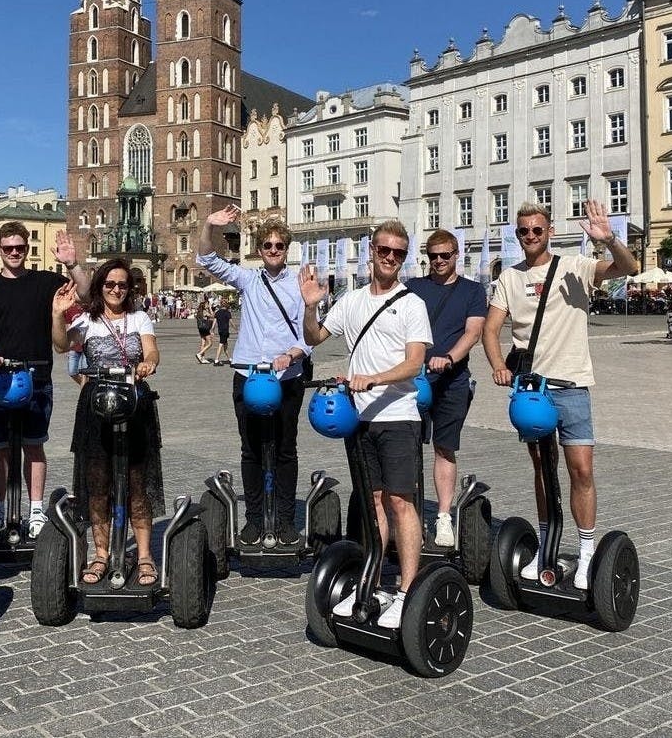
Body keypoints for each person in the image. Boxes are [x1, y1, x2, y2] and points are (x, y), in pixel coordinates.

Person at [480, 199, 637, 590]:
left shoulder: (574, 267)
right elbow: (490, 328)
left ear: (549, 231)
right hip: (532, 391)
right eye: (523, 231)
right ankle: (547, 543)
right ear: (517, 235)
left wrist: (609, 239)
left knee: (581, 470)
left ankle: (585, 552)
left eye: (537, 230)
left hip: (572, 385)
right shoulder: (509, 278)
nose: (530, 236)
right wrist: (498, 365)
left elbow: (627, 268)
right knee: (542, 469)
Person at [300, 219, 431, 630]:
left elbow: (415, 362)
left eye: (398, 253)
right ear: (371, 251)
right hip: (361, 418)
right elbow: (315, 336)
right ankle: (372, 582)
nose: (390, 258)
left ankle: (408, 590)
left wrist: (373, 378)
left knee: (400, 502)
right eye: (384, 250)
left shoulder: (412, 303)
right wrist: (309, 305)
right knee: (372, 500)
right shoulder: (353, 301)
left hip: (397, 415)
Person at [197, 205, 311, 544]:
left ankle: (287, 519)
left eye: (280, 246)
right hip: (248, 373)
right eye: (268, 246)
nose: (274, 251)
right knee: (251, 449)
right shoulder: (249, 278)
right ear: (259, 249)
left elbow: (311, 332)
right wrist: (208, 223)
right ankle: (255, 518)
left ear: (286, 249)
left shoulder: (299, 283)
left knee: (286, 448)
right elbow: (207, 260)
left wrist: (292, 353)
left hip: (287, 376)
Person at [0, 222, 89, 540]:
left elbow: (86, 292)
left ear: (27, 248)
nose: (14, 253)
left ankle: (35, 511)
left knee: (34, 446)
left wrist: (73, 263)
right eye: (8, 248)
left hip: (36, 373)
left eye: (19, 247)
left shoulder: (47, 281)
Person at [51, 258, 164, 586]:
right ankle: (101, 553)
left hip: (133, 401)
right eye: (110, 284)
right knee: (97, 484)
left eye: (122, 285)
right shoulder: (87, 320)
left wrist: (148, 365)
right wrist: (58, 314)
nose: (116, 289)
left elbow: (152, 351)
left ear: (130, 289)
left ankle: (144, 555)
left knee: (137, 482)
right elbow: (61, 346)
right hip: (95, 405)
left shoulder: (139, 317)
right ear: (100, 286)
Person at [404, 228, 487, 547]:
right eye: (433, 256)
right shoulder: (413, 287)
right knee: (407, 447)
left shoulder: (472, 291)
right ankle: (407, 511)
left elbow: (473, 332)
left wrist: (448, 358)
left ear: (456, 256)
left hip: (451, 380)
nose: (438, 261)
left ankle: (442, 517)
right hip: (413, 378)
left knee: (444, 446)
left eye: (445, 255)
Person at [212, 301, 233, 365]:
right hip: (225, 330)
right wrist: (237, 329)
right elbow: (231, 322)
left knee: (225, 344)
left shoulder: (217, 313)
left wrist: (212, 330)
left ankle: (230, 359)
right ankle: (216, 360)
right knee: (221, 344)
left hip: (220, 331)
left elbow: (214, 323)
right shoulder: (228, 313)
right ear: (226, 306)